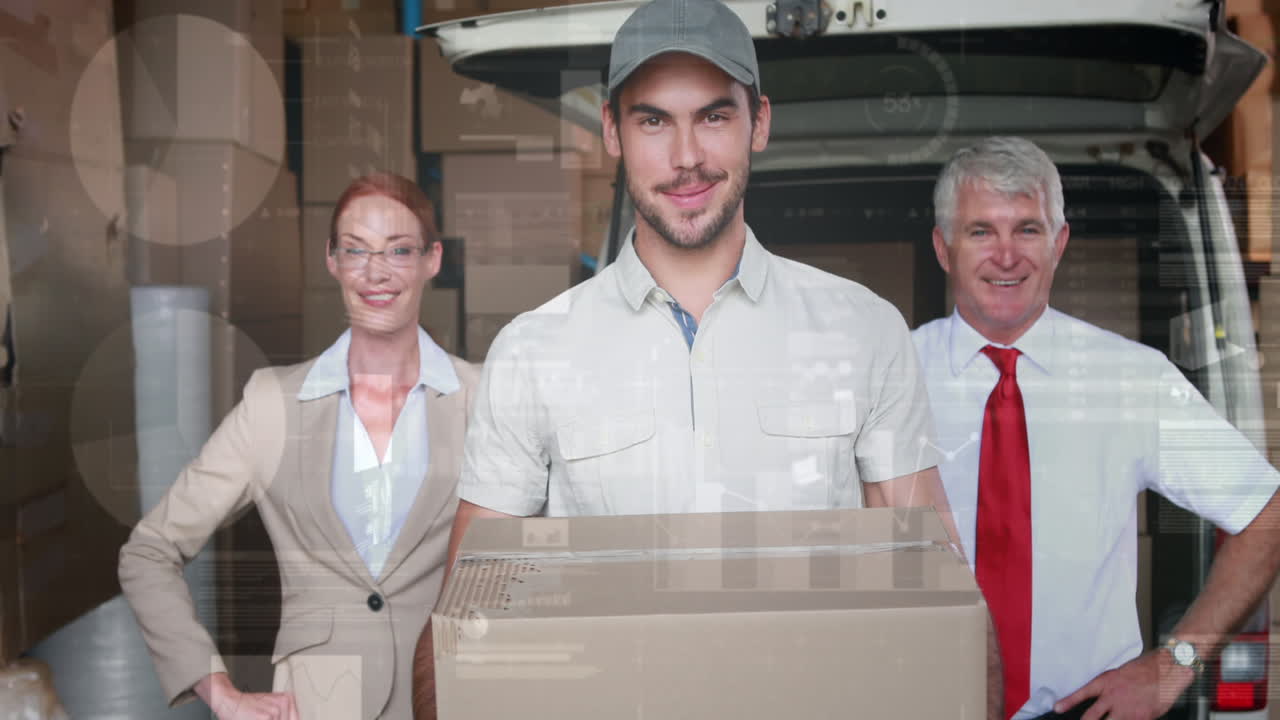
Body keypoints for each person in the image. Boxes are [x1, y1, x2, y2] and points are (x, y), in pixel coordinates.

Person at [413, 0, 996, 716]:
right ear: (612, 131)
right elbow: (464, 622)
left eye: (714, 116)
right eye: (653, 120)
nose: (686, 156)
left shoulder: (864, 332)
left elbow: (939, 597)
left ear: (759, 123)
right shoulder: (534, 352)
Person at [913, 136, 1280, 720]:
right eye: (981, 231)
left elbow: (1266, 512)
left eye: (1027, 230)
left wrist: (1176, 662)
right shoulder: (891, 378)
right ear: (943, 248)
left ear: (1058, 244)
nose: (1006, 256)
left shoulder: (1131, 378)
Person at [119, 172, 479, 720]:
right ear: (332, 260)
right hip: (316, 705)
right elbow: (148, 552)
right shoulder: (273, 405)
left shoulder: (482, 399)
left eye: (398, 250)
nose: (376, 271)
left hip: (453, 696)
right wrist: (220, 693)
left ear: (432, 260)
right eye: (356, 250)